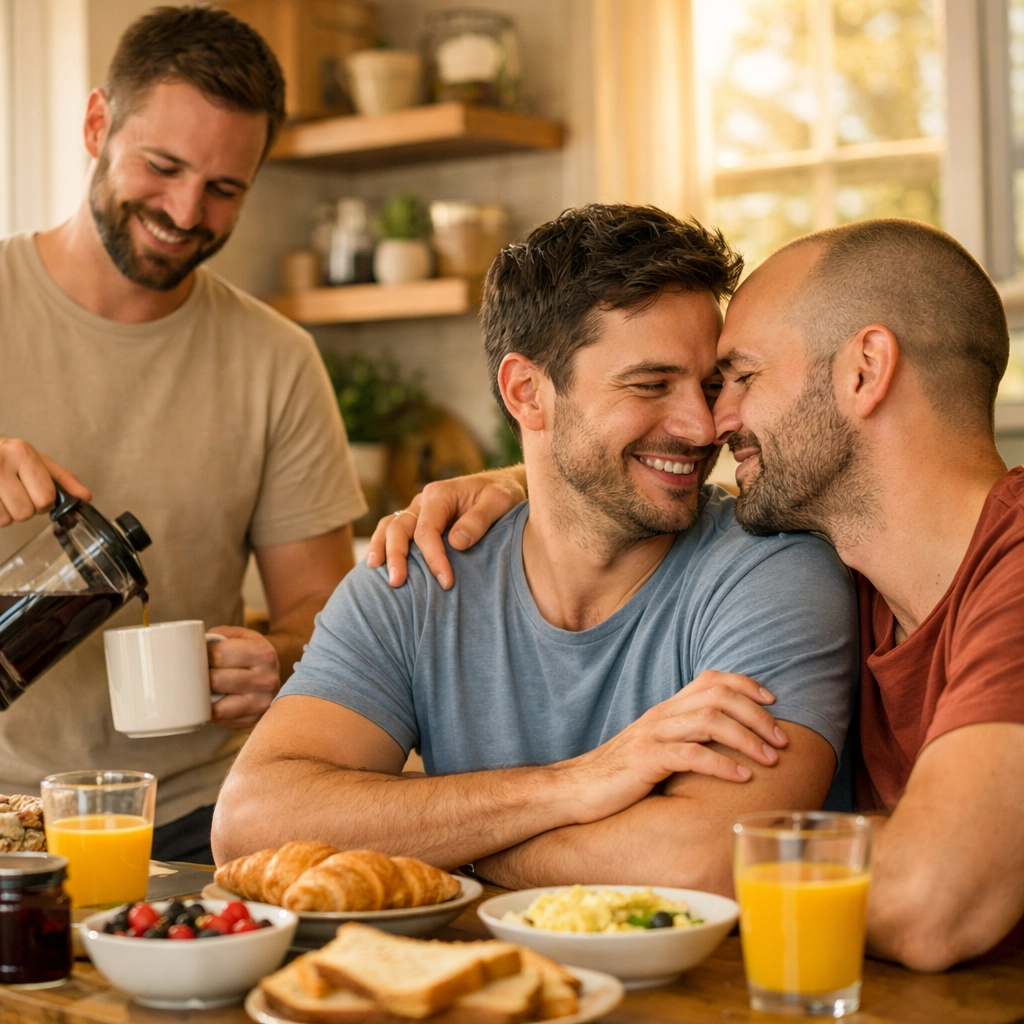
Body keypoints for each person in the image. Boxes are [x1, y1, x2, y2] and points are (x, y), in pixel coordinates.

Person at [379, 215, 1024, 972]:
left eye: (739, 378)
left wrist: (475, 848)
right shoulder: (860, 577)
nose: (712, 423)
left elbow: (929, 900)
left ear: (864, 370)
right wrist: (530, 476)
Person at [213, 205, 857, 892]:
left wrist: (452, 845)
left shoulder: (771, 571)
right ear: (528, 393)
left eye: (709, 386)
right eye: (650, 385)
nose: (703, 428)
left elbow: (702, 862)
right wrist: (576, 785)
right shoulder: (420, 570)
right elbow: (250, 820)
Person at [0, 7, 365, 864]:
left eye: (224, 188)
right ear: (98, 124)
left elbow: (323, 613)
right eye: (162, 167)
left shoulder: (277, 360)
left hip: (201, 818)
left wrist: (275, 656)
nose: (185, 211)